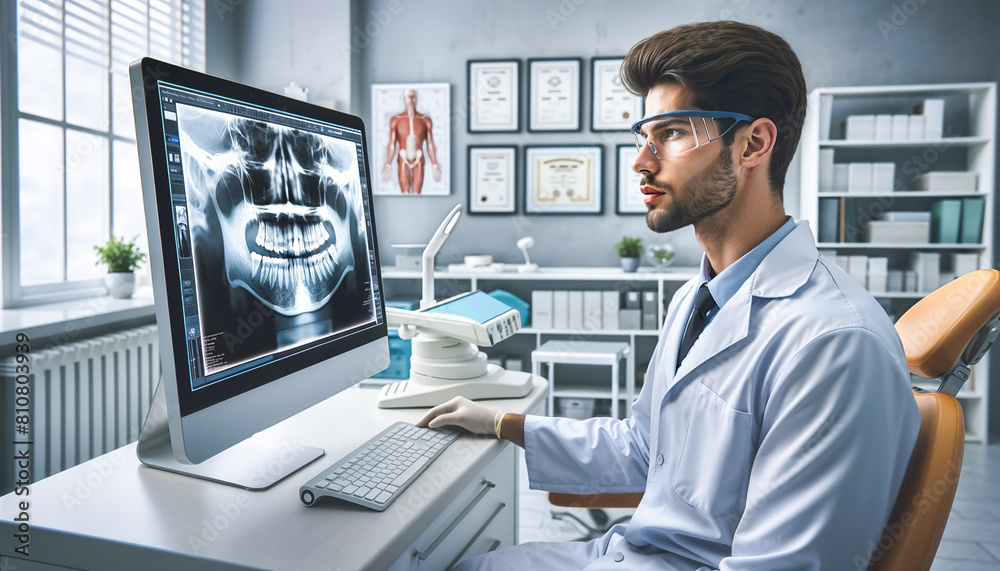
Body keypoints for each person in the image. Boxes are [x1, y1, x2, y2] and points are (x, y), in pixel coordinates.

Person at [416, 21, 920, 570]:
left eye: (673, 133)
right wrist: (499, 422)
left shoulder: (835, 343)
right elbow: (644, 447)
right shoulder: (698, 298)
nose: (641, 161)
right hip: (629, 553)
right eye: (643, 136)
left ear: (753, 143)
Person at [382, 88, 442, 193]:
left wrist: (434, 163)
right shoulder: (396, 119)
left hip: (418, 158)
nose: (410, 100)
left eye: (412, 97)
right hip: (403, 157)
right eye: (408, 97)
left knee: (417, 194)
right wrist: (388, 163)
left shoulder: (425, 120)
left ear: (416, 99)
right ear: (404, 99)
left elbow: (430, 143)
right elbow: (392, 143)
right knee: (405, 193)